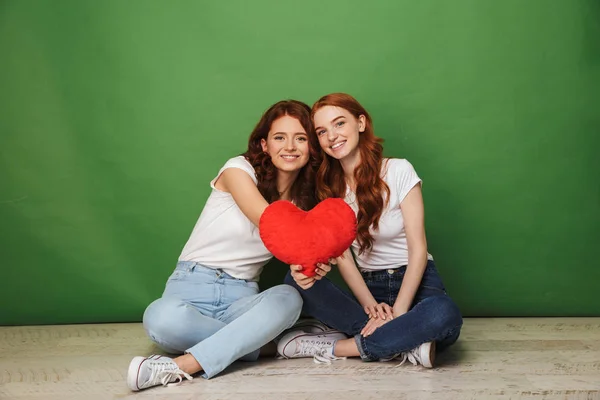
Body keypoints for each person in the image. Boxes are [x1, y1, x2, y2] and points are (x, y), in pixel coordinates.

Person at [127, 100, 325, 391]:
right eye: (279, 137)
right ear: (264, 145)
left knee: (289, 298)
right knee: (159, 319)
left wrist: (313, 262)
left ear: (311, 147)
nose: (290, 146)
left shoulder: (305, 202)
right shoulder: (238, 169)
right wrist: (303, 246)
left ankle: (182, 366)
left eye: (301, 138)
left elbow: (309, 246)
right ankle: (270, 345)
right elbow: (270, 222)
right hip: (191, 286)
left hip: (242, 295)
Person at [278, 93, 463, 368]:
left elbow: (418, 249)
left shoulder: (399, 170)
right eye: (322, 131)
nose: (332, 136)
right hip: (369, 289)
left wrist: (399, 312)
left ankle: (342, 347)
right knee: (294, 282)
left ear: (361, 123)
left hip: (418, 282)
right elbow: (343, 257)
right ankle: (404, 344)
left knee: (443, 313)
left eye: (340, 124)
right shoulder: (328, 190)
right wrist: (369, 306)